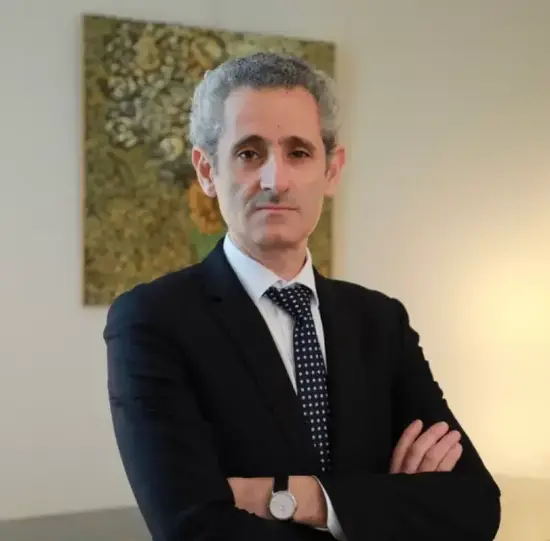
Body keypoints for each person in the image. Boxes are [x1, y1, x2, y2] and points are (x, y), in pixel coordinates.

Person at [104, 52, 501, 541]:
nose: (276, 180)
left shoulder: (380, 322)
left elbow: (475, 506)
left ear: (332, 169)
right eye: (249, 154)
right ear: (207, 170)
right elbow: (192, 529)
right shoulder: (153, 321)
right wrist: (384, 507)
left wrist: (294, 498)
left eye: (298, 153)